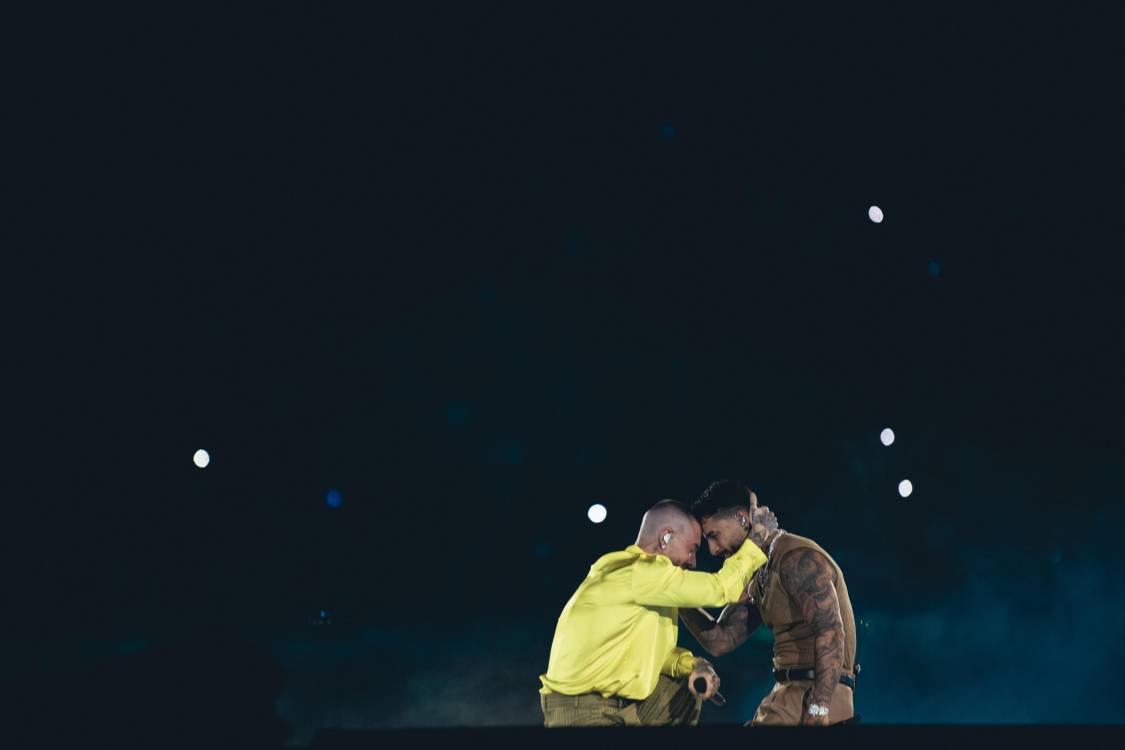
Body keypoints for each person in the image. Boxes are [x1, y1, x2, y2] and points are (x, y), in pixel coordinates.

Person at [538, 498, 779, 727]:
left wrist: (694, 665)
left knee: (685, 685)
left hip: (619, 705)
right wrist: (756, 540)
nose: (693, 561)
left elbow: (653, 654)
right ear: (665, 537)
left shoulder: (650, 587)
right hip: (580, 709)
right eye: (692, 549)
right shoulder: (639, 571)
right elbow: (719, 589)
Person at [680, 480, 858, 726]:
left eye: (714, 535)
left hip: (815, 695)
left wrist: (818, 707)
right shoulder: (761, 572)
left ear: (743, 519)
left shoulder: (796, 559)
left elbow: (831, 632)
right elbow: (721, 639)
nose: (712, 550)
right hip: (787, 695)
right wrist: (674, 596)